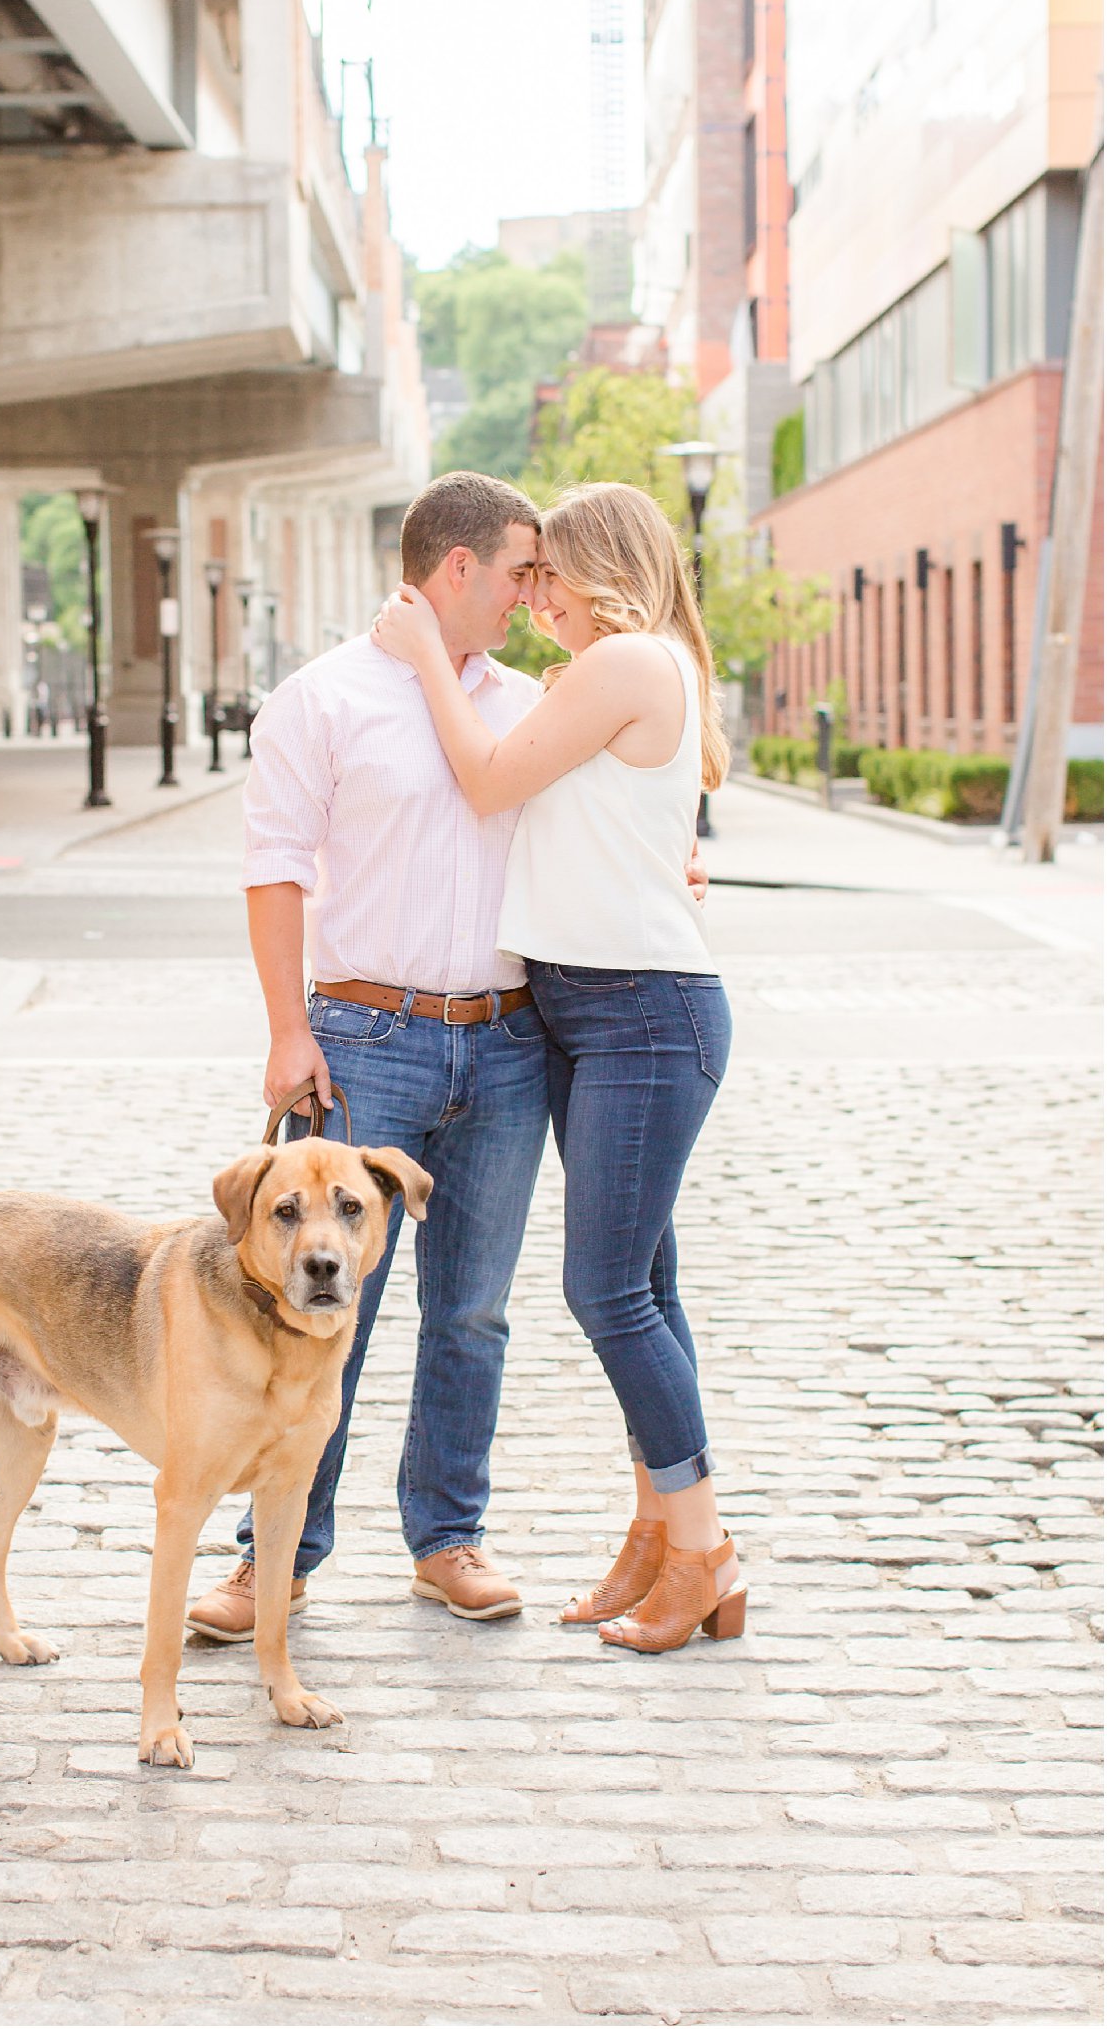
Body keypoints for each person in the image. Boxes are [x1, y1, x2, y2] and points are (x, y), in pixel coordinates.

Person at [186, 471, 706, 1643]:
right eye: (523, 568)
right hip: (367, 1033)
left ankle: (446, 1538)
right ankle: (274, 1557)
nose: (536, 593)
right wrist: (285, 1028)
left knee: (470, 1311)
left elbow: (612, 817)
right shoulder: (321, 700)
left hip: (512, 1040)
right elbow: (272, 865)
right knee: (325, 1311)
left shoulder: (531, 698)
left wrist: (674, 866)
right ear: (457, 569)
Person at [373, 481, 741, 1654]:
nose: (530, 596)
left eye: (545, 575)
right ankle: (657, 1535)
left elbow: (487, 778)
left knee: (606, 1294)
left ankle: (703, 1551)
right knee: (650, 1291)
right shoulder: (607, 673)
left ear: (596, 569)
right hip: (587, 1009)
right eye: (518, 577)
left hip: (641, 1013)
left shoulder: (626, 662)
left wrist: (427, 651)